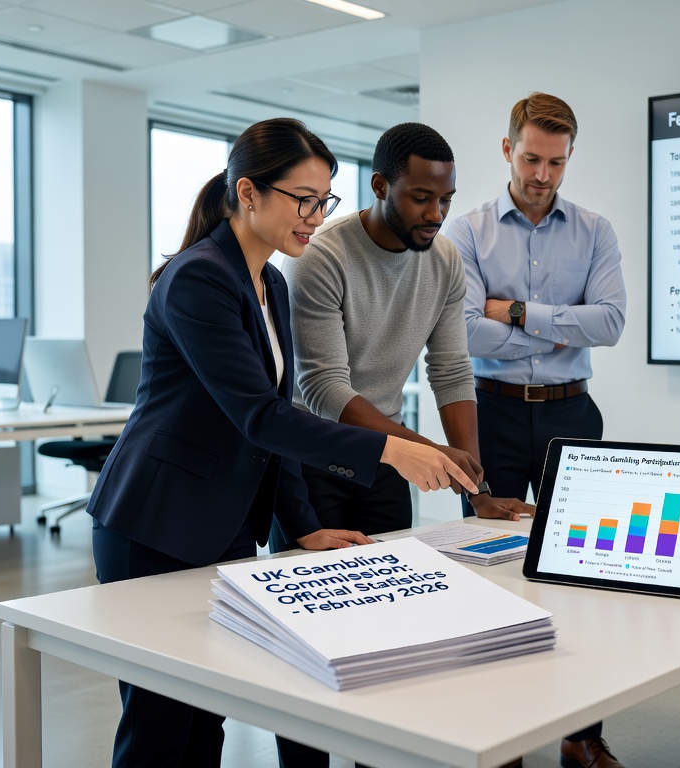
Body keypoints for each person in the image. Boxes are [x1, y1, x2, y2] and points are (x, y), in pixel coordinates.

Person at [85, 117, 475, 768]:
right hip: (153, 526)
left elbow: (274, 428)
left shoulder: (268, 283)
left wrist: (303, 526)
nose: (315, 217)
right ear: (248, 194)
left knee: (204, 723)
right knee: (159, 733)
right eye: (303, 200)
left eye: (323, 202)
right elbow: (258, 416)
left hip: (222, 526)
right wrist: (391, 449)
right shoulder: (198, 279)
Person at [272, 121, 532, 768]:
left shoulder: (442, 259)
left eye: (444, 199)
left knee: (390, 635)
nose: (435, 214)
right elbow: (324, 388)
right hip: (310, 463)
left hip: (384, 463)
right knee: (310, 643)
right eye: (420, 197)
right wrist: (430, 454)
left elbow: (449, 370)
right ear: (381, 186)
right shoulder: (321, 257)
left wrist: (480, 487)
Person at [447, 93, 628, 768]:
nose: (542, 174)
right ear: (506, 149)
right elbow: (464, 329)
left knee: (583, 571)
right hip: (489, 411)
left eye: (555, 161)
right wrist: (560, 319)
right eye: (530, 158)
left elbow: (610, 324)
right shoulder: (465, 231)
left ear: (569, 157)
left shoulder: (596, 231)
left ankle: (582, 733)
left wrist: (517, 312)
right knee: (485, 573)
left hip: (571, 412)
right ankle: (499, 735)